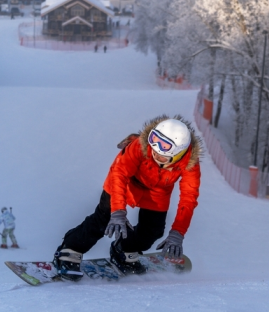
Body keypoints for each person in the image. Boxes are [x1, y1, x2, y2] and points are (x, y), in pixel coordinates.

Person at [53, 116, 202, 280]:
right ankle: (71, 249)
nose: (155, 149)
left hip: (158, 190)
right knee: (105, 218)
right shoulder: (141, 146)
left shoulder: (190, 164)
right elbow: (120, 174)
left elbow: (189, 197)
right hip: (125, 181)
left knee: (153, 231)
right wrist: (118, 211)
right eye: (154, 139)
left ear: (178, 151)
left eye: (164, 146)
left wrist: (177, 233)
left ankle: (124, 249)